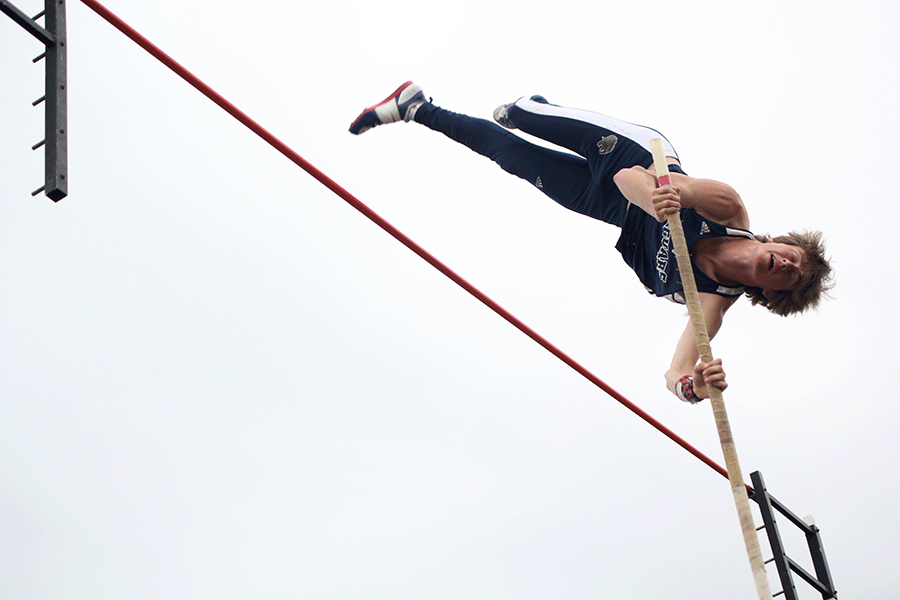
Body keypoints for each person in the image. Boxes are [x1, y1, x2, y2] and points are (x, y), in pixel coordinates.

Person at [348, 82, 833, 404]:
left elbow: (673, 375)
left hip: (609, 208)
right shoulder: (727, 209)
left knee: (507, 154)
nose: (786, 265)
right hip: (632, 155)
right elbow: (631, 176)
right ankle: (534, 106)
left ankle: (416, 107)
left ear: (770, 294)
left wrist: (694, 387)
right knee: (519, 115)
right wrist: (655, 200)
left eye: (790, 276)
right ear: (781, 242)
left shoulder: (709, 304)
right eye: (792, 257)